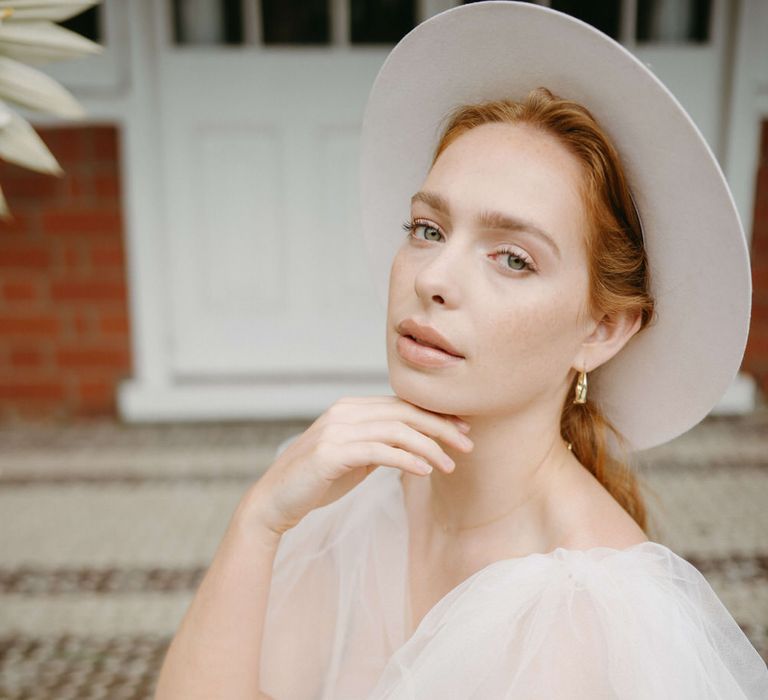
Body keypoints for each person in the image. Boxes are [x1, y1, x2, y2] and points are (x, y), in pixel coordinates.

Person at [154, 3, 768, 698]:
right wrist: (261, 518)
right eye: (427, 229)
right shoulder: (353, 495)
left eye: (512, 258)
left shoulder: (584, 612)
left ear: (601, 329)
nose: (435, 279)